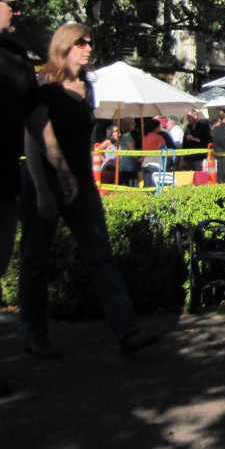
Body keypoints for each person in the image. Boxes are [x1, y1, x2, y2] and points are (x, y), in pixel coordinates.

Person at [20, 22, 158, 357]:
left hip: (81, 183)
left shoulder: (87, 88)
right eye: (81, 42)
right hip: (45, 180)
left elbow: (85, 139)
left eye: (90, 42)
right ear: (64, 46)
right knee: (35, 261)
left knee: (101, 257)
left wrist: (87, 178)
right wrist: (41, 189)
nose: (88, 47)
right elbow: (32, 140)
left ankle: (127, 333)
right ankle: (35, 337)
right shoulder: (44, 84)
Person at [0, 0, 77, 393]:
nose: (17, 11)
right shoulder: (34, 70)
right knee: (31, 260)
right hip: (25, 185)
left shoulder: (14, 58)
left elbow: (35, 120)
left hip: (6, 184)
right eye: (12, 4)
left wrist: (61, 169)